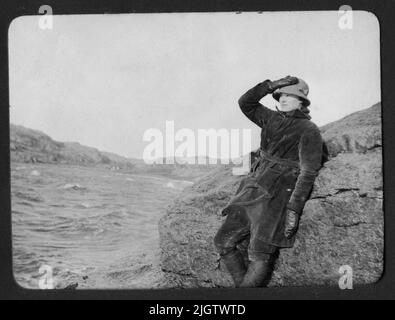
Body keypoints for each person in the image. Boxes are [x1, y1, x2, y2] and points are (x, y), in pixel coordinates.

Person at [214, 76, 327, 287]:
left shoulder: (309, 130)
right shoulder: (271, 118)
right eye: (281, 94)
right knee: (222, 241)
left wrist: (294, 209)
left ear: (301, 102)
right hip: (253, 188)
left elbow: (308, 171)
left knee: (259, 254)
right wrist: (269, 86)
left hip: (277, 197)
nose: (284, 98)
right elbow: (245, 103)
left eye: (290, 95)